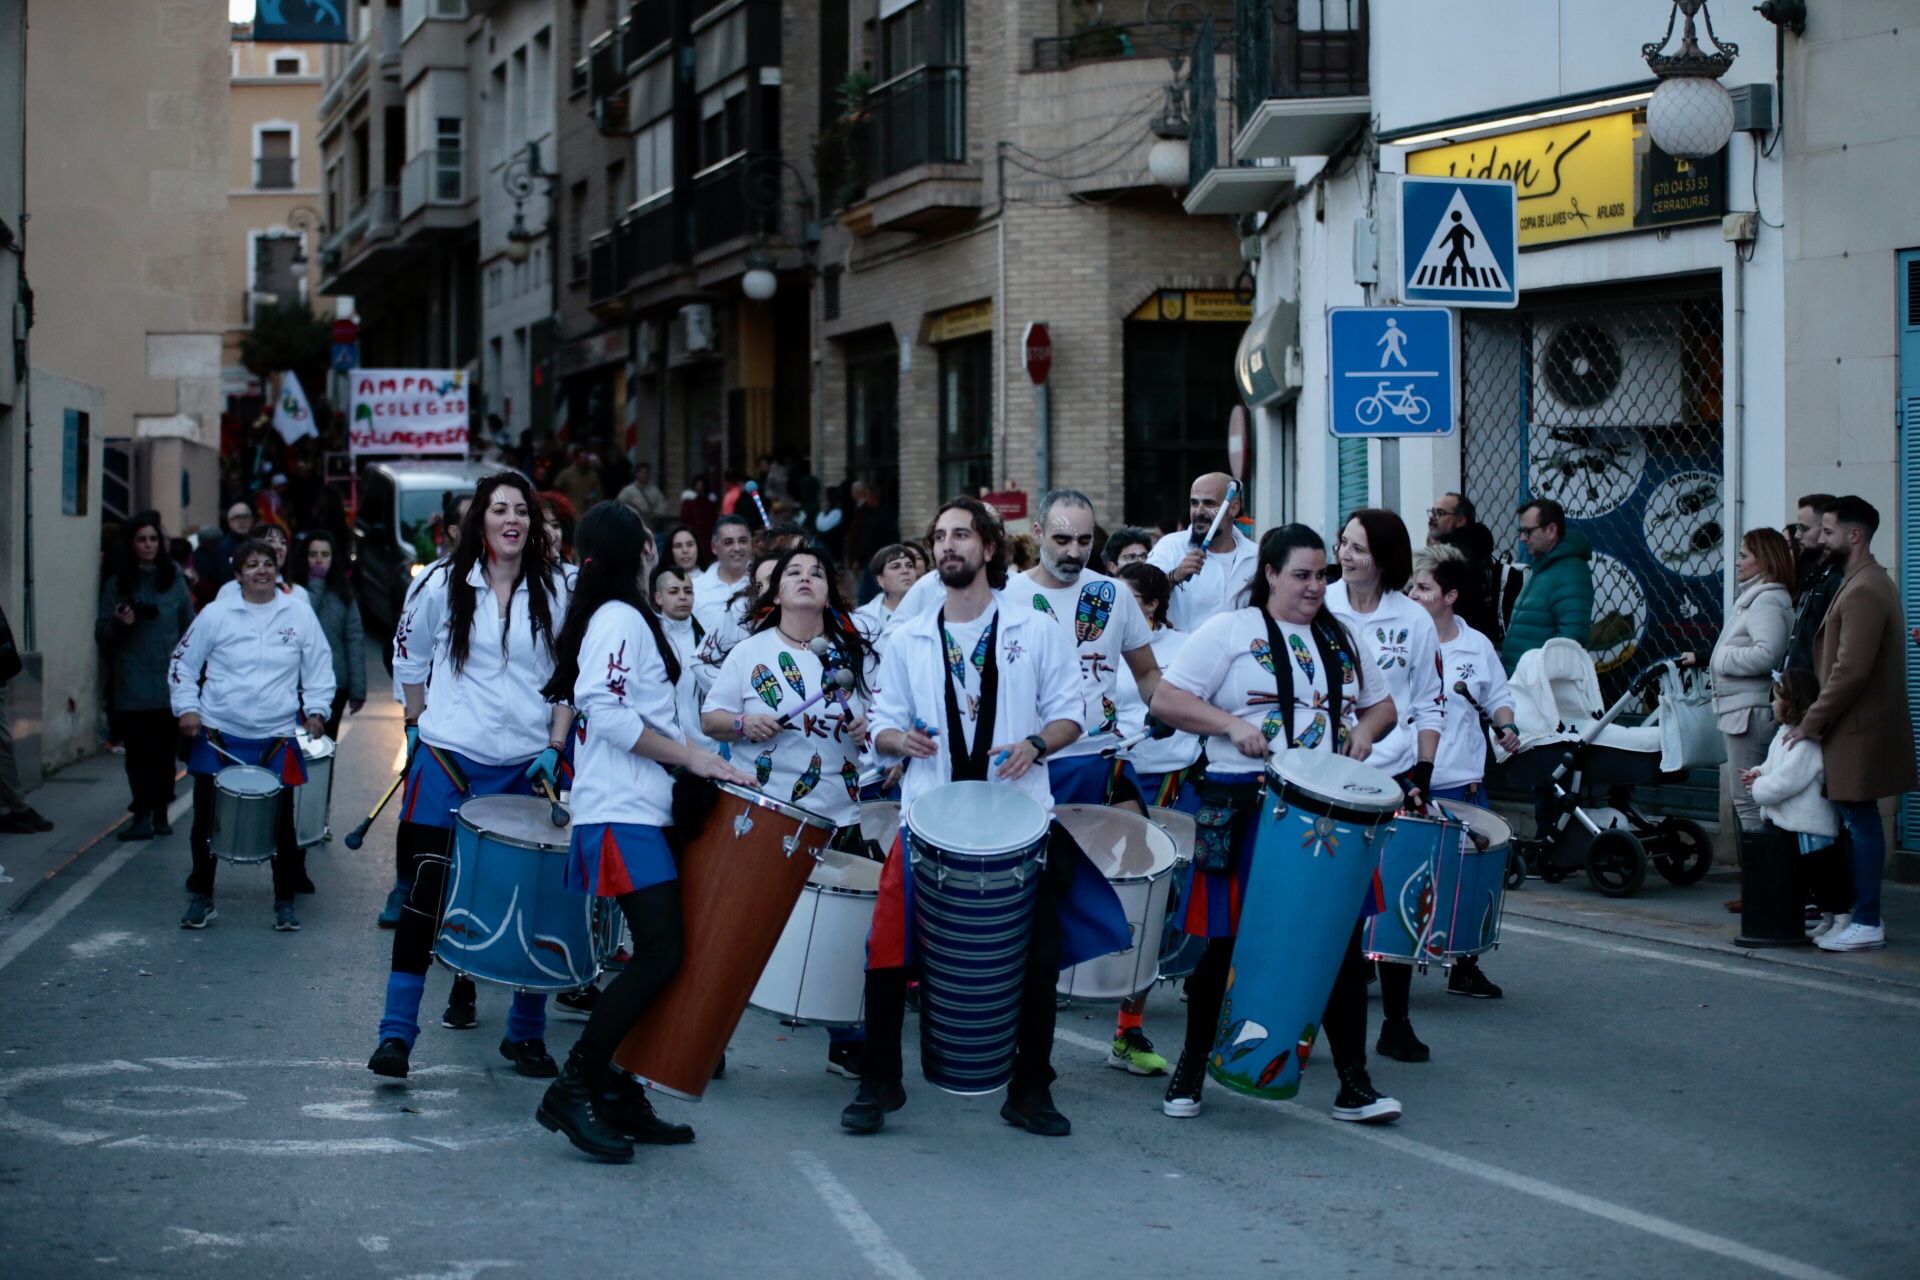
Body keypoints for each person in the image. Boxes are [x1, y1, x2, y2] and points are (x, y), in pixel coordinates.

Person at [842, 496, 1126, 1138]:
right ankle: (879, 1080)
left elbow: (1072, 714)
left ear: (990, 548)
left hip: (1021, 824)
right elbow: (882, 723)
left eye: (962, 535)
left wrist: (1037, 745)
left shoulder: (1036, 628)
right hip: (927, 820)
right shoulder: (909, 637)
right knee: (886, 951)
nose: (948, 546)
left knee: (1037, 958)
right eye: (940, 536)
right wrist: (896, 743)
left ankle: (1031, 1089)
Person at [1149, 524, 1403, 1125]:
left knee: (1339, 948)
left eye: (1322, 575)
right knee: (1228, 944)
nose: (1316, 586)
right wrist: (1228, 725)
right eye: (1302, 575)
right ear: (1269, 573)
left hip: (1328, 815)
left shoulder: (1340, 639)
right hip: (1248, 805)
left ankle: (1353, 1083)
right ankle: (1190, 1069)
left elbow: (1383, 705)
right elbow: (1166, 700)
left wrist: (1365, 733)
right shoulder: (1228, 632)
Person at [533, 503, 754, 1162]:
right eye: (647, 534)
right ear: (634, 549)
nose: (656, 543)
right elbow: (602, 711)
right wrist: (689, 757)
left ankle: (619, 1088)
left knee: (662, 952)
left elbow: (656, 713)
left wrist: (707, 759)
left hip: (638, 809)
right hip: (621, 810)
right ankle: (577, 1085)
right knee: (661, 952)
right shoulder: (620, 618)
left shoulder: (627, 617)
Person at [367, 473, 576, 1080]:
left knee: (535, 903)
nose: (512, 519)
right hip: (449, 763)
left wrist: (555, 744)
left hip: (528, 770)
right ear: (478, 521)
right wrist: (416, 721)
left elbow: (573, 674)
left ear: (533, 524)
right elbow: (408, 656)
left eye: (522, 510)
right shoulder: (440, 583)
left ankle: (526, 1034)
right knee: (426, 896)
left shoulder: (561, 589)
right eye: (499, 509)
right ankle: (395, 1036)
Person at [702, 545, 875, 1078]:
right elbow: (711, 718)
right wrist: (741, 725)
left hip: (841, 815)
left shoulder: (857, 653)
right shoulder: (750, 652)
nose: (805, 579)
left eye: (816, 572)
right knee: (742, 932)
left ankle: (847, 1042)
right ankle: (711, 1040)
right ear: (774, 593)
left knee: (842, 936)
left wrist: (871, 729)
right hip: (766, 810)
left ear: (830, 589)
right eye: (793, 574)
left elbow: (889, 716)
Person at [1014, 490, 1166, 1075]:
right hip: (1033, 767)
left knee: (1146, 885)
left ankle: (1130, 1029)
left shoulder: (1112, 595)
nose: (1074, 552)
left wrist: (1177, 707)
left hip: (1105, 759)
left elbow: (1147, 672)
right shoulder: (1008, 597)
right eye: (1061, 540)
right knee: (1030, 905)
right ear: (1036, 532)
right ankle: (1019, 1034)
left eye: (1084, 540)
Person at [167, 540, 334, 930]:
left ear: (278, 569)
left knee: (281, 825)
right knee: (207, 820)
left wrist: (316, 710)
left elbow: (319, 666)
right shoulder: (215, 614)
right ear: (238, 573)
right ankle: (202, 896)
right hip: (218, 731)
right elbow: (183, 663)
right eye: (252, 564)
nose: (262, 570)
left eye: (268, 563)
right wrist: (187, 708)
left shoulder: (299, 614)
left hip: (275, 734)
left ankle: (284, 900)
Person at [1327, 509, 1445, 1061]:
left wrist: (1422, 772)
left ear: (1386, 558)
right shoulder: (1318, 604)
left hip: (1393, 780)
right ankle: (1313, 1021)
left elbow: (1427, 702)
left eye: (1360, 548)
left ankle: (1397, 1021)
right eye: (1343, 544)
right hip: (1327, 780)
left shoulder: (1414, 619)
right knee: (1331, 905)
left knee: (1395, 898)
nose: (1347, 556)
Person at [1790, 496, 1918, 953]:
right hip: (1852, 727)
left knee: (1860, 822)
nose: (1820, 540)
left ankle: (1866, 919)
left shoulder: (1865, 588)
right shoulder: (1861, 582)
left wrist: (1811, 722)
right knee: (1851, 821)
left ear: (1855, 535)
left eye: (1828, 532)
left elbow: (1851, 669)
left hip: (1857, 728)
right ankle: (1851, 914)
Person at [1406, 543, 1516, 999]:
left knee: (1469, 879)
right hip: (1412, 782)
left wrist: (1507, 727)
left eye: (1424, 587)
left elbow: (1499, 698)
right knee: (1399, 872)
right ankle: (1371, 959)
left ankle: (1464, 966)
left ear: (1450, 596)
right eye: (1411, 586)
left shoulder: (1477, 645)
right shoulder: (1402, 639)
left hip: (1463, 781)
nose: (1413, 594)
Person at [1677, 528, 1794, 912]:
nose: (1739, 561)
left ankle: (1762, 889)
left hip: (1749, 711)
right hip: (1741, 708)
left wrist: (1719, 659)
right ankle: (1762, 886)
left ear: (1764, 559)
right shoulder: (1755, 599)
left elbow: (1766, 654)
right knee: (1749, 802)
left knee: (1749, 803)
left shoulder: (1766, 602)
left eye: (1745, 555)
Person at [96, 513, 195, 840]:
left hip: (168, 680)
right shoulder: (117, 584)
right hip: (132, 680)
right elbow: (102, 633)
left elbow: (190, 629)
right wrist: (121, 624)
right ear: (132, 544)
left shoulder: (174, 578)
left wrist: (190, 674)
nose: (149, 545)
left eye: (153, 539)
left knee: (165, 753)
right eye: (142, 539)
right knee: (138, 753)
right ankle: (142, 813)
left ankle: (161, 811)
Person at [1744, 670, 1845, 938]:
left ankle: (1842, 919)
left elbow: (1788, 780)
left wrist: (1759, 788)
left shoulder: (1806, 743)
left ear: (1793, 702)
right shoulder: (1784, 734)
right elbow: (1773, 766)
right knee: (1812, 878)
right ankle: (1827, 919)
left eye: (1777, 698)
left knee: (1825, 874)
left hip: (1812, 827)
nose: (1772, 704)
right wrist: (1759, 772)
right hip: (1796, 825)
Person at [1113, 563, 1203, 809]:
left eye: (1125, 599)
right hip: (1119, 770)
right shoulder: (1102, 647)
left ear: (1152, 605)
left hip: (1174, 772)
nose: (1114, 606)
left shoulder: (1187, 646)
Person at [1145, 472, 1259, 633]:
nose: (1199, 511)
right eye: (1194, 503)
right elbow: (1142, 595)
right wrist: (1175, 576)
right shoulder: (1171, 546)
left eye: (1209, 504)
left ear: (1233, 509)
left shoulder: (1255, 556)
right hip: (1182, 653)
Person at [1497, 499, 1592, 672]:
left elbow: (1571, 639)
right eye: (1521, 531)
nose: (1522, 538)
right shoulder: (1543, 566)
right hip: (1522, 683)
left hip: (1538, 687)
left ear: (1551, 530)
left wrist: (1536, 674)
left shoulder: (1570, 571)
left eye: (1528, 531)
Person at [290, 531, 368, 739]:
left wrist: (358, 689)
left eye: (325, 554)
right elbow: (303, 620)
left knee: (324, 745)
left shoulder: (344, 593)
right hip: (297, 683)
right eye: (313, 554)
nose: (318, 559)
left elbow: (354, 640)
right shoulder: (294, 592)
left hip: (335, 682)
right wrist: (316, 583)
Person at [650, 561, 721, 756]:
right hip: (661, 746)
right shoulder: (648, 638)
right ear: (658, 597)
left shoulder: (709, 640)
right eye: (674, 591)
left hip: (706, 748)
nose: (682, 597)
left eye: (688, 591)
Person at [1425, 492, 1502, 643]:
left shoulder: (1454, 555)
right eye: (1432, 512)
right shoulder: (1474, 547)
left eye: (1440, 513)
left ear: (1461, 520)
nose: (1432, 517)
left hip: (1458, 638)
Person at [1784, 494, 1842, 675]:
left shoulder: (1836, 579)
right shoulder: (1815, 577)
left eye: (1804, 528)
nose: (1798, 535)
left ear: (1825, 529)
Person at [692, 515, 753, 632]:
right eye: (728, 542)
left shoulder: (764, 585)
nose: (737, 548)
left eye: (743, 541)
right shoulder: (695, 589)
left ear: (751, 544)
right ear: (714, 547)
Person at [853, 543, 921, 639]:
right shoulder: (862, 620)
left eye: (910, 565)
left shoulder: (932, 609)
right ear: (880, 579)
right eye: (895, 566)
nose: (905, 570)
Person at [195, 500, 257, 600]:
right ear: (229, 521)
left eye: (245, 517)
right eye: (236, 518)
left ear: (252, 520)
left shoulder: (259, 544)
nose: (241, 521)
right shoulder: (221, 547)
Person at [551, 446, 603, 515]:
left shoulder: (593, 476)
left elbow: (599, 494)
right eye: (583, 458)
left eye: (587, 458)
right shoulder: (565, 474)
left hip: (588, 514)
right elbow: (555, 492)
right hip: (570, 514)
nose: (586, 461)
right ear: (576, 459)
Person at [615, 462, 667, 526]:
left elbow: (661, 506)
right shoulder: (628, 490)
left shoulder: (655, 491)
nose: (644, 475)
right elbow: (619, 504)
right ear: (637, 474)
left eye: (646, 473)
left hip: (649, 524)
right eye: (641, 473)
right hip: (631, 523)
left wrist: (654, 515)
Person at [678, 476, 718, 551]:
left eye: (701, 485)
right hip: (692, 532)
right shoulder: (689, 502)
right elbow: (685, 517)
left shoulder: (710, 502)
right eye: (698, 485)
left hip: (706, 534)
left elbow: (712, 518)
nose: (700, 487)